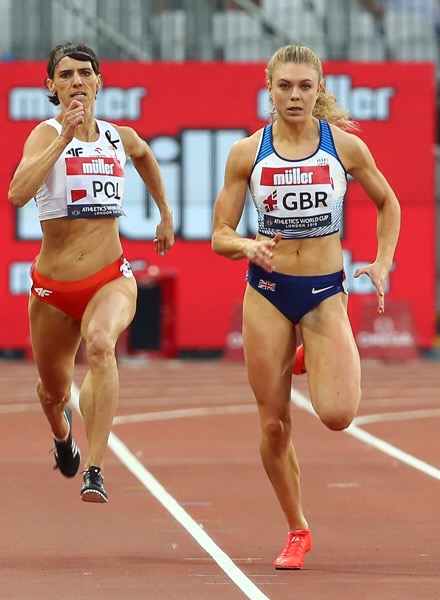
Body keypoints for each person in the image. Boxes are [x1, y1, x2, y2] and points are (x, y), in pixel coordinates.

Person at [212, 44, 400, 569]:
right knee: (274, 424)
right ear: (269, 88)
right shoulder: (247, 153)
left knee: (338, 415)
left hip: (322, 294)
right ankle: (297, 529)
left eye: (304, 87)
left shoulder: (343, 147)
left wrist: (382, 261)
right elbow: (219, 234)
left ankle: (308, 355)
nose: (294, 96)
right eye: (285, 86)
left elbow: (388, 202)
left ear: (318, 90)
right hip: (267, 295)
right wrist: (246, 245)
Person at [8, 42, 174, 504]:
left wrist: (165, 213)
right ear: (52, 86)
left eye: (85, 73)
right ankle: (63, 438)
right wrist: (63, 138)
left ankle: (95, 469)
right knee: (52, 393)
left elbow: (144, 154)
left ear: (99, 81)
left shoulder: (118, 137)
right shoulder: (44, 135)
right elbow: (17, 194)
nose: (77, 81)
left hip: (109, 279)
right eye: (66, 75)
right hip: (53, 290)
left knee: (101, 344)